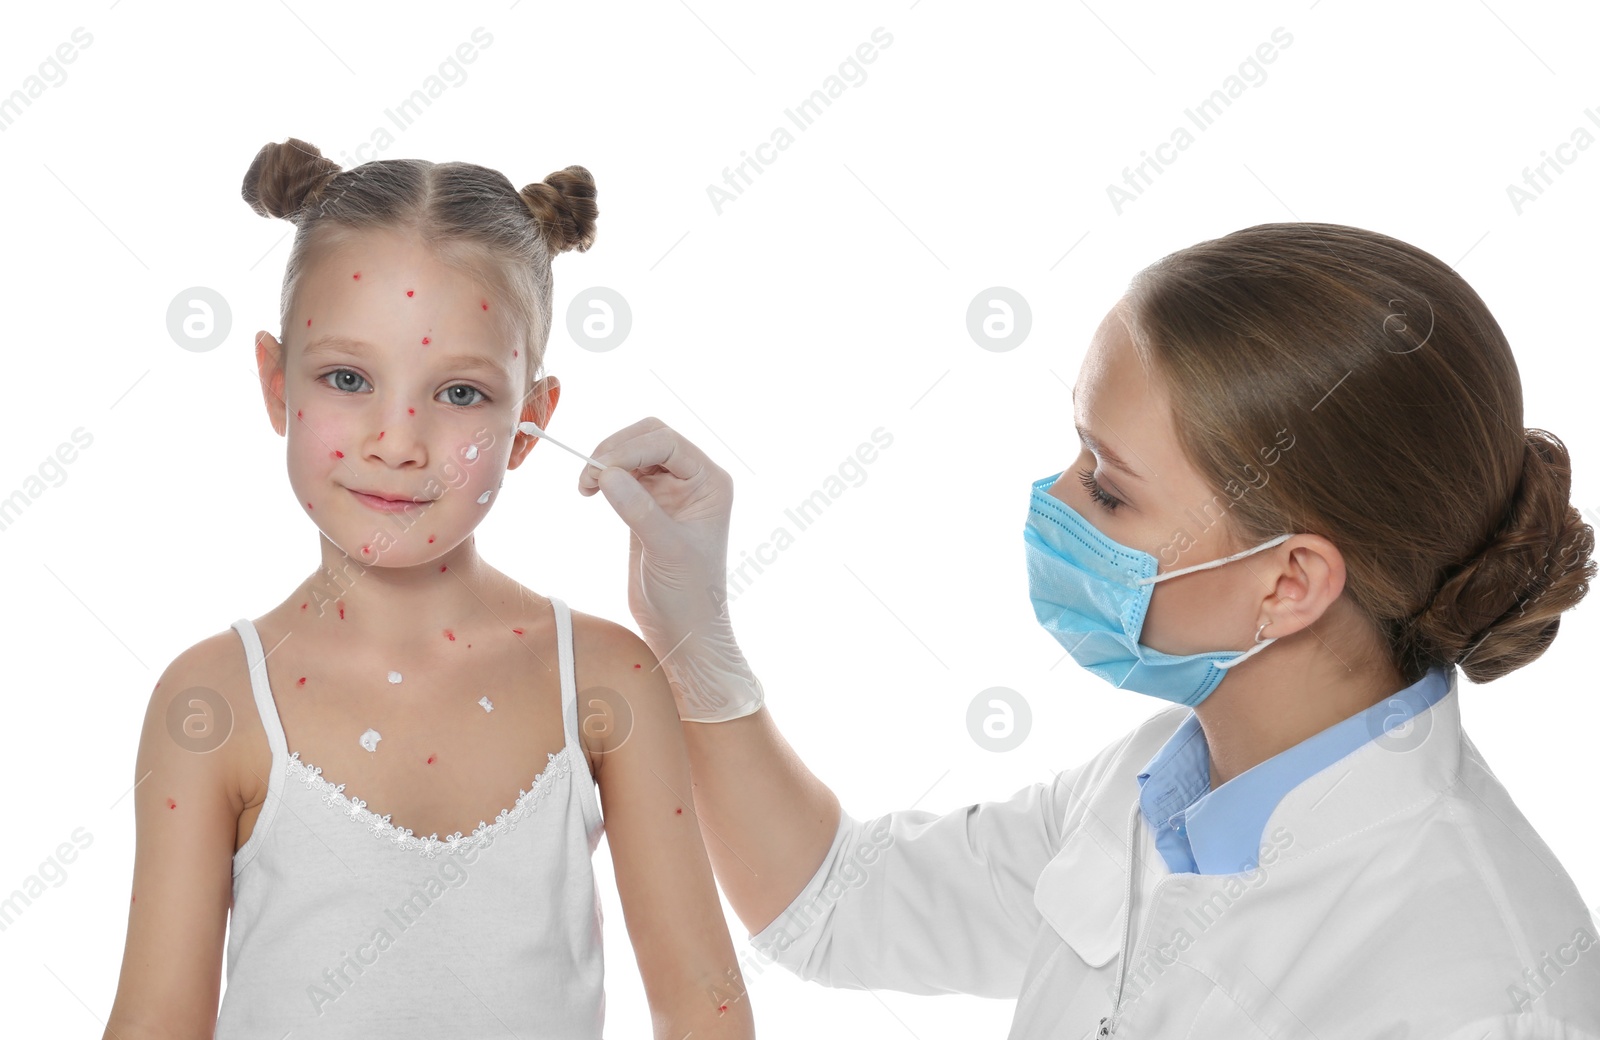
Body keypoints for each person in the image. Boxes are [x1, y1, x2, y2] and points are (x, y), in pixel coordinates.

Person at [577, 223, 1600, 1038]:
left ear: (1288, 581)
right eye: (1077, 454)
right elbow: (840, 902)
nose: (1054, 502)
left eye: (1107, 492)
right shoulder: (1166, 780)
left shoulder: (1480, 989)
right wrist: (693, 638)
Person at [102, 138, 753, 1040]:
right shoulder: (213, 701)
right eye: (347, 378)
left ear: (531, 424)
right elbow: (155, 1025)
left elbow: (705, 1010)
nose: (396, 441)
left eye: (457, 392)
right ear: (274, 381)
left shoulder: (606, 682)